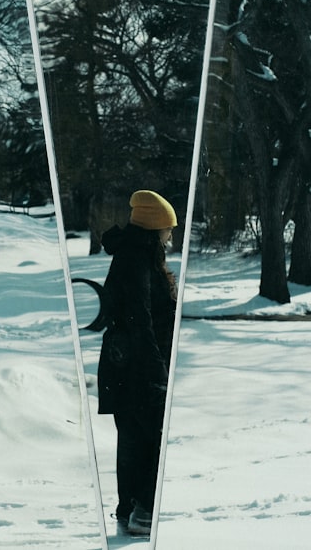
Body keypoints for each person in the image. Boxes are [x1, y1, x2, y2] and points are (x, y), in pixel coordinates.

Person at [96, 189, 178, 536]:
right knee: (153, 437)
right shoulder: (138, 259)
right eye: (168, 229)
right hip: (139, 366)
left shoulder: (133, 254)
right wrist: (157, 370)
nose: (171, 236)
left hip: (124, 364)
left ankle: (130, 508)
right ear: (155, 229)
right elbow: (140, 319)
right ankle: (144, 510)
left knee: (133, 438)